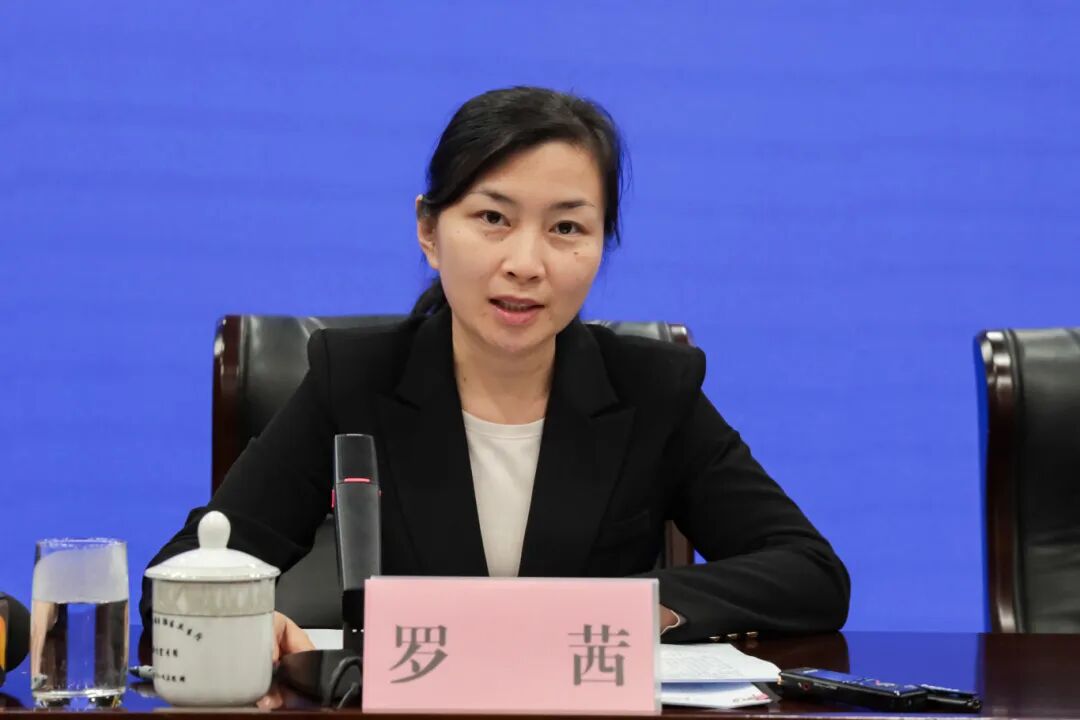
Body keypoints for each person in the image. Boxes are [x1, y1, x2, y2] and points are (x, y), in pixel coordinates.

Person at [141, 86, 849, 664]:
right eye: (492, 218)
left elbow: (810, 573)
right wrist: (246, 623)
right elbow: (176, 582)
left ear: (602, 244)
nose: (526, 263)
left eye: (566, 228)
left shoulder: (652, 388)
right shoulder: (353, 381)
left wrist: (625, 608)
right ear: (429, 231)